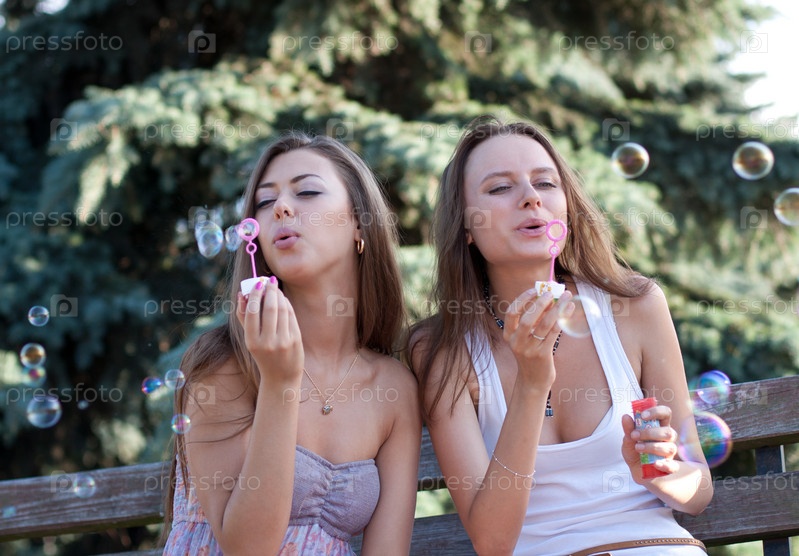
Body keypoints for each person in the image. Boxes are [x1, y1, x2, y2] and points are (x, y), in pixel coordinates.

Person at [409, 117, 713, 555]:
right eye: (500, 188)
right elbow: (492, 542)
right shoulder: (443, 348)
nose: (531, 197)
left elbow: (699, 491)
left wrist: (659, 471)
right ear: (466, 228)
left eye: (545, 183)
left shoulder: (636, 305)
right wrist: (533, 383)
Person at [162, 132, 421, 555]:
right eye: (265, 201)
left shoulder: (393, 389)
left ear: (359, 223)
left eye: (307, 191)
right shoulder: (224, 365)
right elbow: (247, 548)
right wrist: (280, 382)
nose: (281, 207)